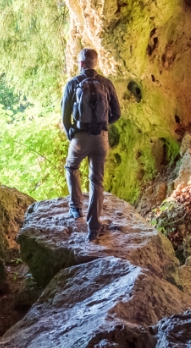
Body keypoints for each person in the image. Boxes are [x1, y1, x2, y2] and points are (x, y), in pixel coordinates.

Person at [61, 48, 121, 241]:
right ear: (95, 63)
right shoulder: (106, 83)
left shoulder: (72, 83)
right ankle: (94, 228)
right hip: (101, 139)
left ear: (81, 63)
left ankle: (75, 208)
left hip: (80, 137)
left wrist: (72, 131)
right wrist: (103, 126)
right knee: (97, 181)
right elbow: (117, 114)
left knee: (71, 167)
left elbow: (65, 117)